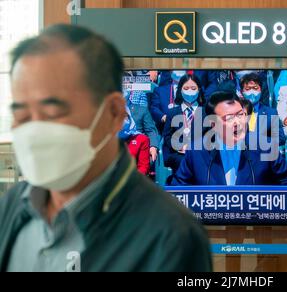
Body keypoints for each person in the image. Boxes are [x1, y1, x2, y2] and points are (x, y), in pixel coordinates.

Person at [0, 24, 212, 272]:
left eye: (52, 111)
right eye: (22, 115)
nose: (34, 130)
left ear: (114, 113)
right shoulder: (13, 206)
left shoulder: (171, 235)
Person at [171, 91, 287, 186]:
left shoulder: (266, 146)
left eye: (240, 115)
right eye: (229, 118)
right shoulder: (197, 151)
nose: (238, 122)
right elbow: (179, 188)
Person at [162, 74, 205, 175]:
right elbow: (167, 136)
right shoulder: (172, 112)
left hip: (200, 152)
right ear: (180, 90)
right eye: (186, 88)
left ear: (199, 90)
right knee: (183, 161)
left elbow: (210, 136)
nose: (189, 91)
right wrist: (180, 146)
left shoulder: (206, 112)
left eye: (193, 88)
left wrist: (193, 148)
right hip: (177, 153)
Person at [240, 73, 286, 147]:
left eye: (255, 88)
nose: (252, 92)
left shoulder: (271, 112)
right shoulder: (235, 112)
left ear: (261, 90)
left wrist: (259, 140)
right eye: (248, 89)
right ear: (242, 92)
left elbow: (280, 138)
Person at [123, 70, 159, 163]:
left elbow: (150, 130)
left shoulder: (141, 109)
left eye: (127, 86)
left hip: (137, 148)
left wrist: (153, 146)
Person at [119, 107, 151, 176]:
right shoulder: (107, 138)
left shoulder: (142, 139)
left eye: (124, 115)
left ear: (129, 117)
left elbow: (143, 167)